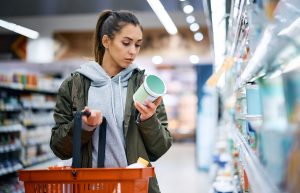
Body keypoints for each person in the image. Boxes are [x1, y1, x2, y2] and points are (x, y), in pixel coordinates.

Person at [50, 10, 173, 193]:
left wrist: (149, 120)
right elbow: (60, 148)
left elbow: (160, 148)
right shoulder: (75, 85)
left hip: (135, 187)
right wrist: (83, 127)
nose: (133, 51)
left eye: (138, 45)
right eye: (126, 43)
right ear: (106, 41)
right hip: (90, 187)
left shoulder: (143, 86)